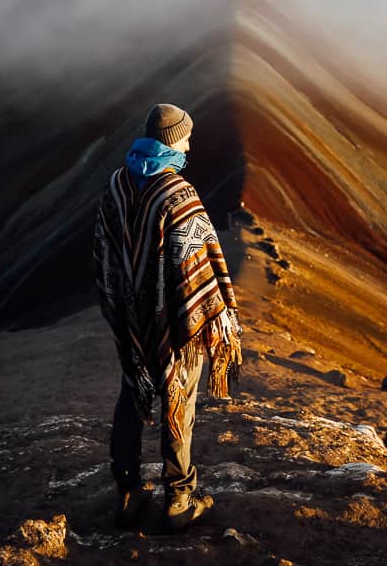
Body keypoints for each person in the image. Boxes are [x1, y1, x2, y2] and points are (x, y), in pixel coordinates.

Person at [93, 103, 242, 532]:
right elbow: (197, 263)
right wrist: (204, 314)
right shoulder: (178, 193)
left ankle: (127, 492)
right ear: (174, 139)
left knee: (132, 395)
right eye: (187, 138)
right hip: (175, 323)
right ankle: (179, 497)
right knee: (179, 399)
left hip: (132, 320)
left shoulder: (117, 184)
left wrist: (122, 304)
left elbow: (104, 251)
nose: (190, 145)